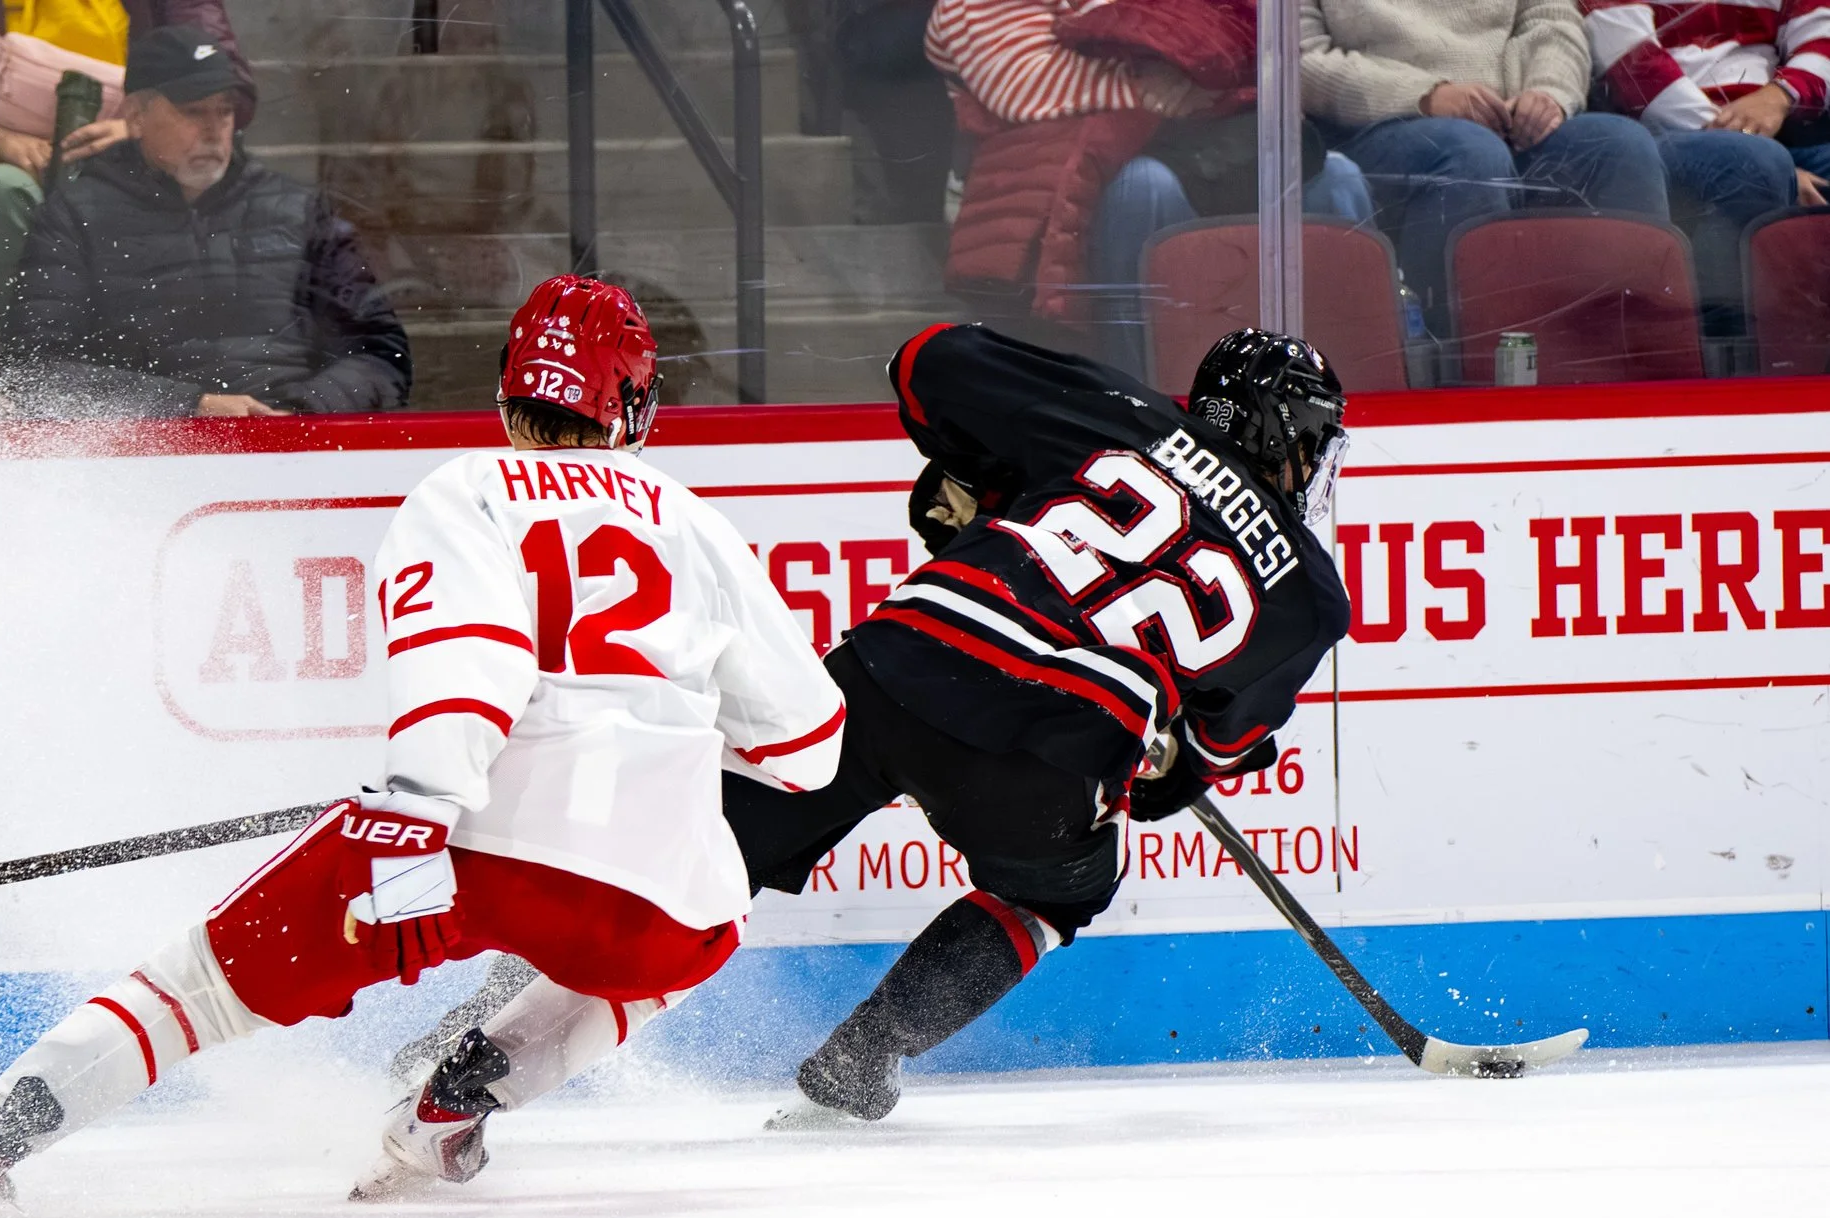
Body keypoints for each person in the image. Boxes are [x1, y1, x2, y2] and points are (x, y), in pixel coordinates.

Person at [0, 276, 846, 1212]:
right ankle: (457, 1103)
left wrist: (416, 812)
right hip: (657, 901)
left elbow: (470, 659)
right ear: (634, 403)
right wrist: (667, 744)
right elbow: (810, 747)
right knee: (704, 924)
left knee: (202, 990)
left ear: (511, 384)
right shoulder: (701, 525)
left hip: (465, 846)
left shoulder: (470, 488)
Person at [396, 325, 1354, 1125]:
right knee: (1057, 891)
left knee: (690, 869)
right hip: (1049, 754)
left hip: (902, 665)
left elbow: (927, 360)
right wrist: (1154, 759)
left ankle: (474, 1041)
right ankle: (863, 1058)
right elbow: (1198, 760)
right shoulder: (1311, 596)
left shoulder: (1122, 416)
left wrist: (992, 479)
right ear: (1286, 433)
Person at [927, 0, 1375, 373]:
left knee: (1337, 177)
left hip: (1192, 144)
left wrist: (1205, 81)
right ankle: (1146, 392)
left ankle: (1346, 387)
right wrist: (1156, 91)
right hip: (1054, 181)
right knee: (1145, 187)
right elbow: (1025, 86)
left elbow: (1246, 45)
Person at [4, 26, 410, 418]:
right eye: (193, 111)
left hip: (294, 437)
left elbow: (380, 350)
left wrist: (303, 412)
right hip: (151, 451)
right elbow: (36, 372)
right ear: (135, 116)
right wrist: (188, 408)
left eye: (224, 110)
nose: (214, 130)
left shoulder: (296, 209)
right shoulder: (77, 216)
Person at [1302, 0, 1668, 324]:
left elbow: (1553, 20)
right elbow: (1300, 60)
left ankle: (1638, 354)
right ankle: (1460, 361)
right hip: (1376, 125)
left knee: (1620, 145)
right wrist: (1426, 96)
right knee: (1470, 155)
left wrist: (1548, 93)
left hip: (1509, 118)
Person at [0, 0, 252, 307]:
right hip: (4, 162)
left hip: (137, 161)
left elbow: (230, 83)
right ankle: (7, 355)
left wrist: (141, 127)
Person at [1582, 0, 1830, 328]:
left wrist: (1781, 95)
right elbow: (1633, 67)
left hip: (1778, 122)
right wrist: (1749, 141)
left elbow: (1821, 35)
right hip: (1666, 132)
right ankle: (1724, 346)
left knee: (1763, 162)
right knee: (1752, 165)